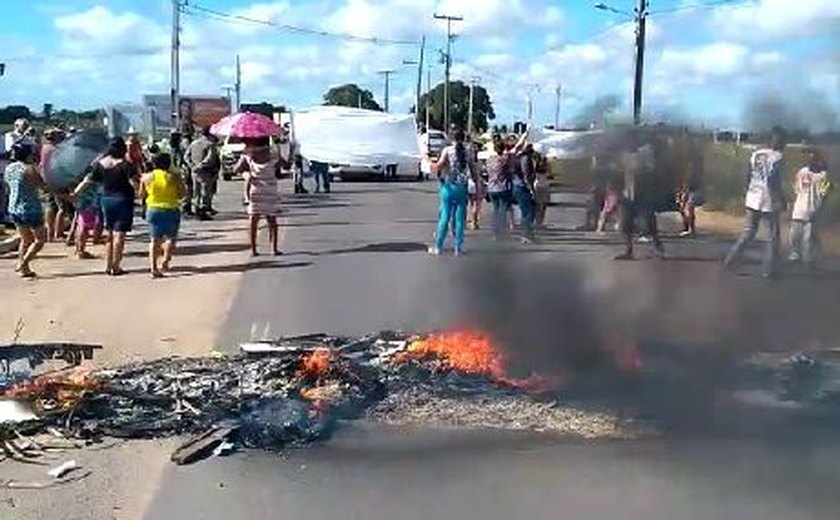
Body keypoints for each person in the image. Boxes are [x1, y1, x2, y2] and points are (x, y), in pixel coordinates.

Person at [723, 129, 787, 278]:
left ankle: (731, 259)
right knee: (771, 236)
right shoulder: (778, 157)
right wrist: (781, 199)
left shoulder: (757, 153)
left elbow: (747, 174)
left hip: (752, 197)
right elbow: (773, 181)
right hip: (768, 200)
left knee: (748, 232)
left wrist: (748, 189)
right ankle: (769, 270)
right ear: (778, 141)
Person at [72, 137, 139, 276]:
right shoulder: (127, 165)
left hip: (106, 200)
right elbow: (135, 184)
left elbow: (87, 180)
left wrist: (76, 193)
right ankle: (116, 266)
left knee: (109, 234)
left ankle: (108, 265)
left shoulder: (101, 164)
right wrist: (141, 194)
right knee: (120, 234)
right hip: (123, 199)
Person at [427, 128, 475, 256]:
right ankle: (458, 248)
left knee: (445, 217)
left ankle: (438, 247)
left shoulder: (447, 151)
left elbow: (439, 166)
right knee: (460, 220)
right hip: (462, 188)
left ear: (451, 138)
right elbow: (474, 171)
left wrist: (427, 161)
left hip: (449, 187)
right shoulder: (468, 151)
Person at [5, 143, 51, 277]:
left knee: (25, 239)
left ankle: (24, 267)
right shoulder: (29, 169)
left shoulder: (9, 168)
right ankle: (23, 263)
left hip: (14, 206)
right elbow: (43, 187)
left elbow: (9, 186)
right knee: (40, 240)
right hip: (31, 208)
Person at [616, 137, 665, 260]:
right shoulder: (623, 153)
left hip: (643, 191)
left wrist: (636, 169)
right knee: (625, 222)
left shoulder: (646, 151)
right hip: (627, 192)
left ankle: (657, 246)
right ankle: (628, 250)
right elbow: (619, 171)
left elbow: (652, 169)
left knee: (648, 220)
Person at [235, 137, 283, 256]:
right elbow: (285, 165)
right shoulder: (273, 154)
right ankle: (274, 248)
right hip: (270, 190)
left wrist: (245, 174)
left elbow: (236, 169)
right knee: (272, 220)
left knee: (253, 221)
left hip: (256, 190)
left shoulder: (248, 154)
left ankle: (253, 250)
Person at [141, 152, 185, 278]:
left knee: (154, 239)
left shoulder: (146, 177)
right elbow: (182, 194)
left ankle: (153, 267)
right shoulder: (174, 177)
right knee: (171, 238)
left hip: (153, 209)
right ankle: (165, 262)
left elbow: (141, 195)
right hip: (171, 209)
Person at [788, 148, 830, 270]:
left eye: (814, 158)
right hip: (799, 208)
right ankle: (794, 255)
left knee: (807, 237)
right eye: (809, 158)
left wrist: (820, 209)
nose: (811, 161)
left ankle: (807, 259)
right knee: (794, 235)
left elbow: (824, 193)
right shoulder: (802, 172)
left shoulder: (823, 176)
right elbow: (796, 189)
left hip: (812, 210)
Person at [186, 128, 221, 221]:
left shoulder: (193, 143)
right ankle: (202, 212)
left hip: (194, 171)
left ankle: (196, 209)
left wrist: (192, 166)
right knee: (205, 192)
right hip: (205, 171)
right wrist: (200, 166)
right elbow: (210, 159)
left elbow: (186, 156)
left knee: (196, 192)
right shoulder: (210, 145)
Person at [72, 165, 102, 260]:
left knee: (81, 226)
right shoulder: (90, 177)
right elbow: (81, 187)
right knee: (84, 228)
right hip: (88, 204)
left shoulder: (88, 175)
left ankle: (79, 249)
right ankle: (80, 251)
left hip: (84, 203)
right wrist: (75, 194)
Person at [677, 138, 705, 237]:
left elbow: (692, 176)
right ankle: (688, 227)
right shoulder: (687, 161)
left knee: (688, 206)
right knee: (683, 207)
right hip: (688, 186)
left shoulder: (695, 161)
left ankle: (691, 229)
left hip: (693, 186)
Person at [513, 143, 537, 242]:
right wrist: (531, 189)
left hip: (517, 186)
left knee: (525, 211)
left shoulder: (518, 157)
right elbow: (526, 175)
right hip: (523, 187)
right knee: (529, 212)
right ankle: (527, 234)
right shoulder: (525, 159)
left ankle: (526, 234)